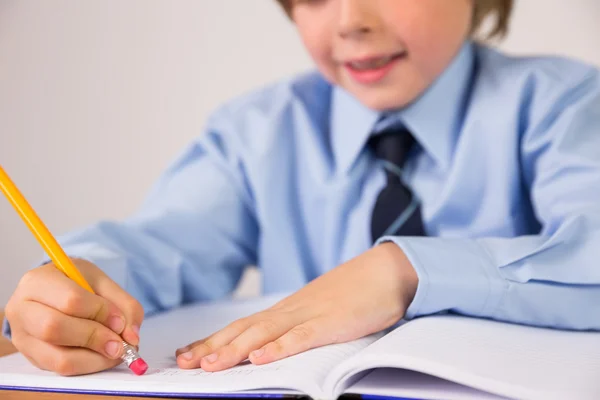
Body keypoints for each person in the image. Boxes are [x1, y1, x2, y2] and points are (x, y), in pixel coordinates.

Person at [4, 0, 600, 377]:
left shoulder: (564, 104)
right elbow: (161, 244)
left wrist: (405, 272)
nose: (351, 21)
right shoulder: (257, 131)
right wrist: (77, 288)